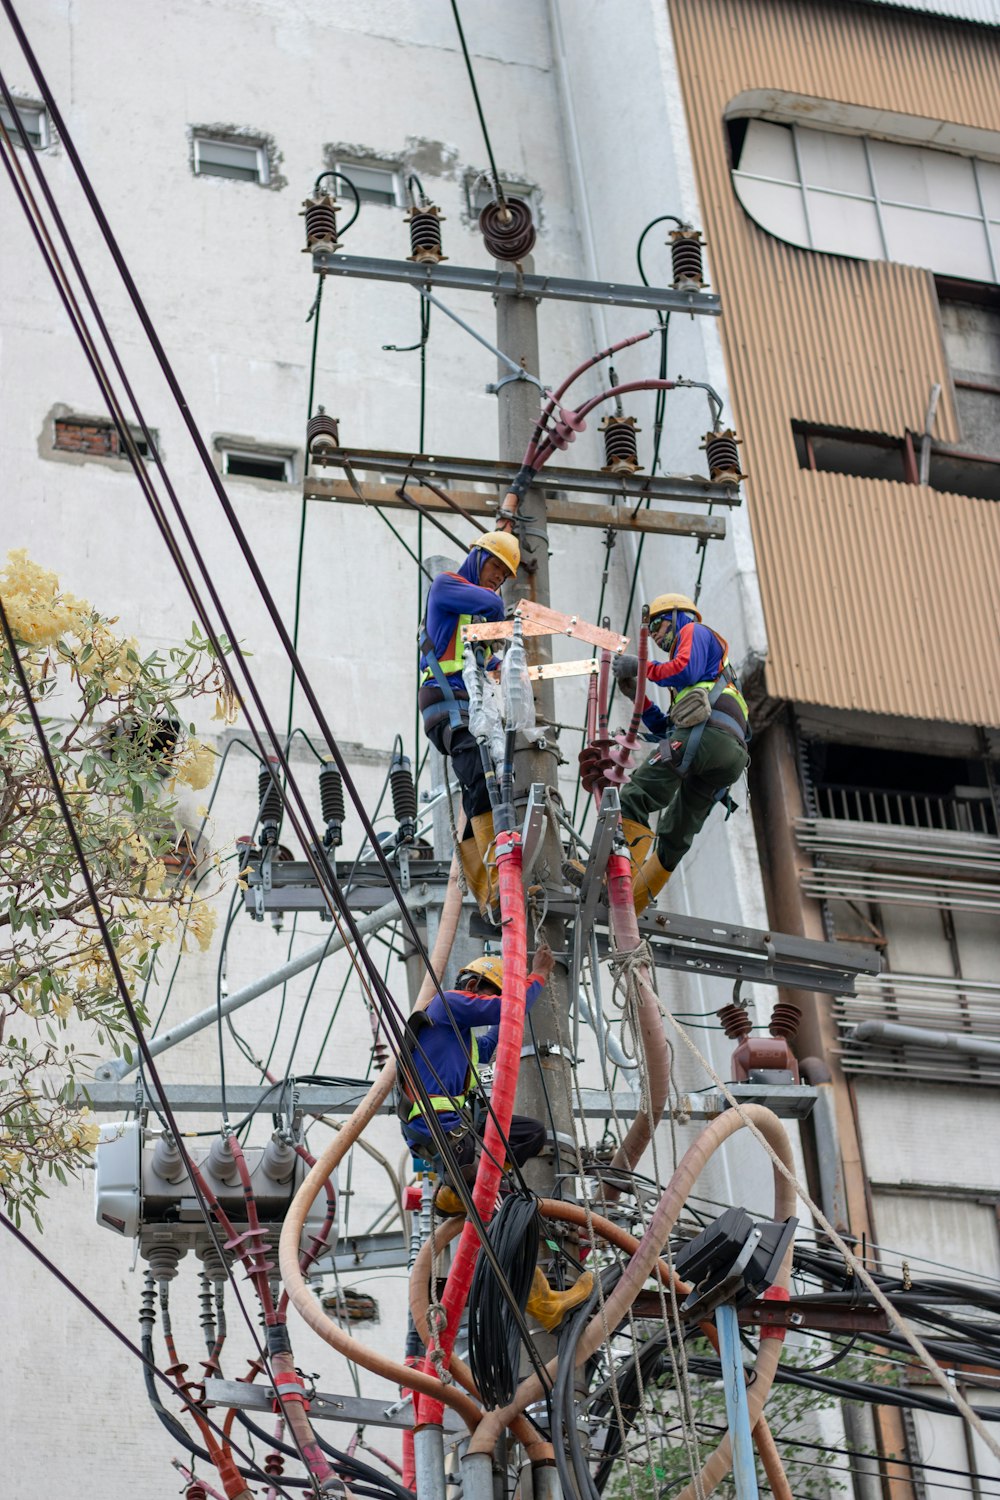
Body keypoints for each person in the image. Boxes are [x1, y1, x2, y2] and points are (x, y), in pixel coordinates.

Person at [397, 942, 593, 1329]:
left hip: (457, 1126)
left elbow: (499, 1039)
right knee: (501, 1210)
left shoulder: (462, 1038)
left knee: (529, 1133)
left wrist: (517, 990)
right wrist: (535, 976)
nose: (491, 1002)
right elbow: (506, 1010)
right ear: (472, 983)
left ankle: (457, 1190)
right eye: (490, 991)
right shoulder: (447, 1004)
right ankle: (544, 1303)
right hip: (437, 1124)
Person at [613, 592, 750, 914]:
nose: (658, 637)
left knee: (635, 795)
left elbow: (682, 670)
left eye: (659, 627)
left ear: (678, 616)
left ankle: (616, 880)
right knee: (676, 833)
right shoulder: (700, 681)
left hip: (708, 737)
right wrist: (639, 699)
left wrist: (642, 666)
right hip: (727, 755)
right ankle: (634, 901)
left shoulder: (694, 633)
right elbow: (668, 731)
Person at [418, 532, 520, 916]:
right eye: (496, 566)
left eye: (505, 575)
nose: (499, 578)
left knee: (489, 781)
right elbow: (493, 603)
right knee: (480, 774)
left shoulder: (472, 616)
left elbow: (489, 666)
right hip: (446, 701)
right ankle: (492, 879)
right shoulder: (446, 585)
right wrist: (501, 622)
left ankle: (493, 875)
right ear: (477, 557)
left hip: (467, 704)